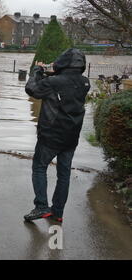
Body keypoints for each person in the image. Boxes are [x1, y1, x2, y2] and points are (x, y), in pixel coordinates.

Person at [24, 48, 91, 223]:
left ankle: (41, 207)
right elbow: (61, 87)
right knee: (64, 173)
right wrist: (51, 74)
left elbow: (32, 89)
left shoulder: (54, 82)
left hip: (51, 136)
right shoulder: (85, 82)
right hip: (71, 137)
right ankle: (58, 212)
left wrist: (37, 71)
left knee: (39, 167)